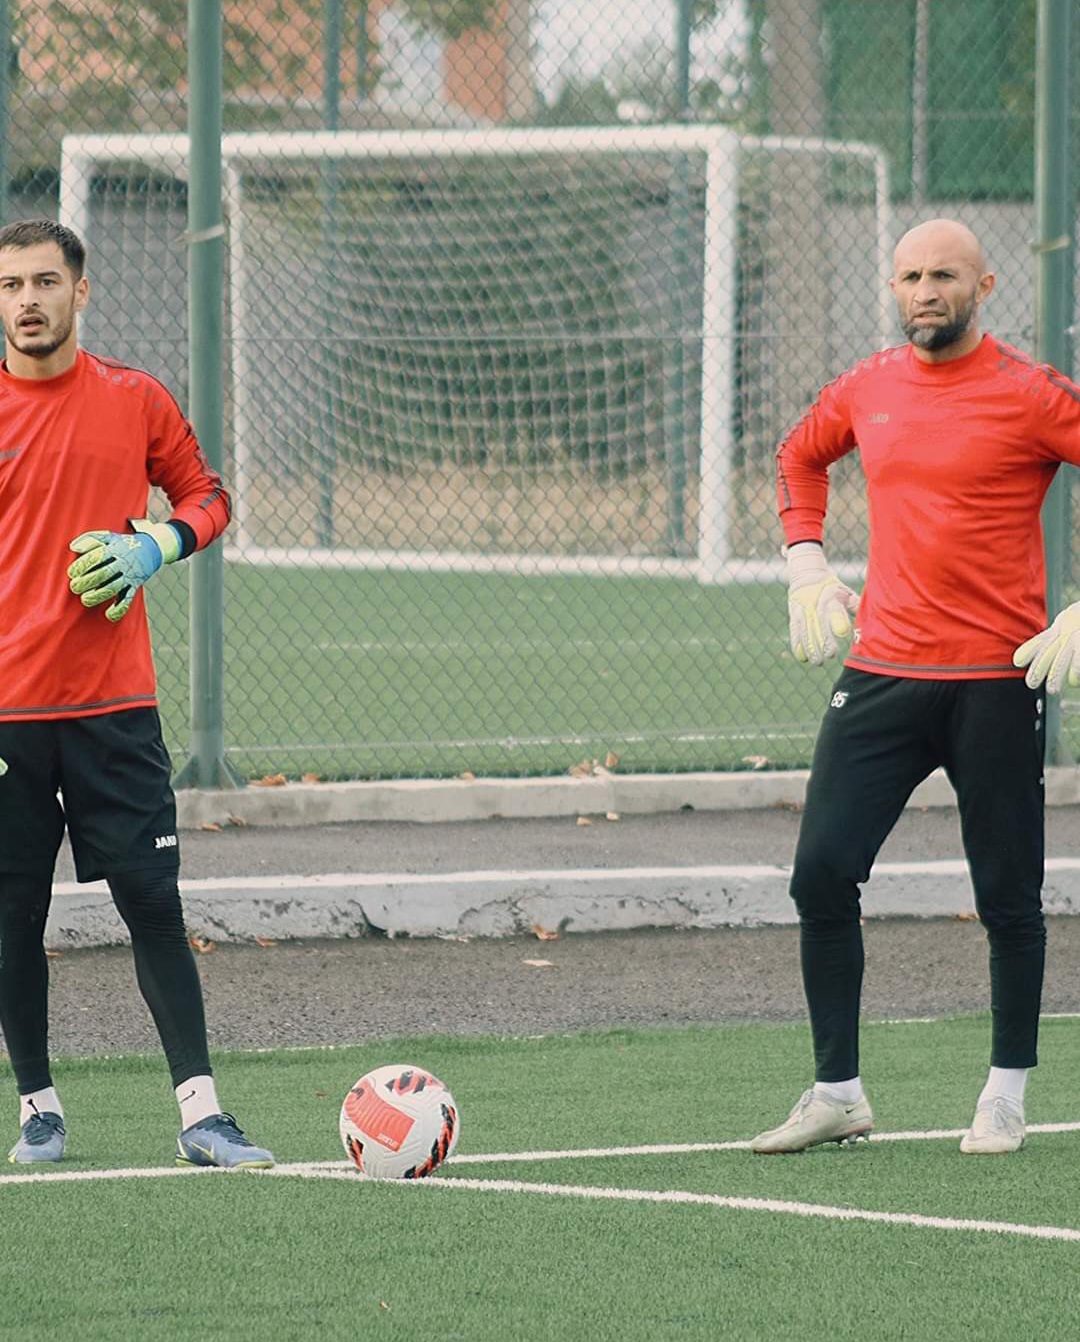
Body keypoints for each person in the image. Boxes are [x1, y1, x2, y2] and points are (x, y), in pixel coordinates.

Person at [752, 217, 1080, 1157]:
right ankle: (837, 1093)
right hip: (883, 673)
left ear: (984, 288)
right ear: (893, 288)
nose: (925, 291)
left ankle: (1005, 1095)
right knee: (821, 872)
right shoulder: (868, 386)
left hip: (996, 681)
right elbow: (798, 455)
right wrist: (807, 565)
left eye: (944, 275)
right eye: (909, 277)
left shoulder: (1032, 392)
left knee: (1009, 896)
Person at [0, 217, 273, 1169]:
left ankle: (202, 1115)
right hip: (7, 717)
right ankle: (38, 1108)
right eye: (9, 286)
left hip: (114, 709)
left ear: (80, 291)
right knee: (11, 917)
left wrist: (156, 543)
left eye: (44, 282)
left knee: (152, 903)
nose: (26, 301)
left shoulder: (134, 397)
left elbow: (210, 495)